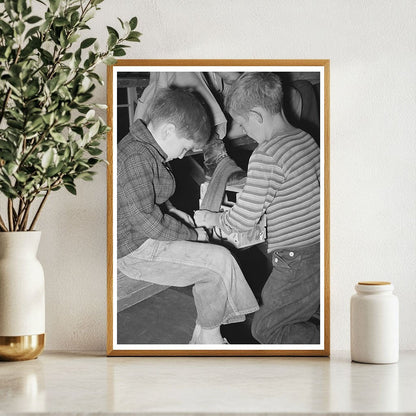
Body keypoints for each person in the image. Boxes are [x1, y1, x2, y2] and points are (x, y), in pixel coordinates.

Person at [117, 87, 259, 344]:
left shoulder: (144, 148)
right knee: (219, 262)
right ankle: (210, 336)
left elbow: (148, 201)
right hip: (132, 251)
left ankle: (205, 333)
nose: (183, 155)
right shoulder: (136, 157)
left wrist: (173, 212)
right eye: (185, 148)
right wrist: (192, 233)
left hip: (142, 238)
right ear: (168, 131)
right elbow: (147, 221)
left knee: (219, 260)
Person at [194, 73, 321, 344]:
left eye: (242, 124)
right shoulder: (306, 138)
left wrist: (214, 218)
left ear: (257, 116)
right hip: (319, 247)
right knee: (279, 303)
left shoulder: (265, 155)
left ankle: (325, 345)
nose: (244, 131)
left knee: (266, 329)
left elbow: (244, 218)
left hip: (294, 256)